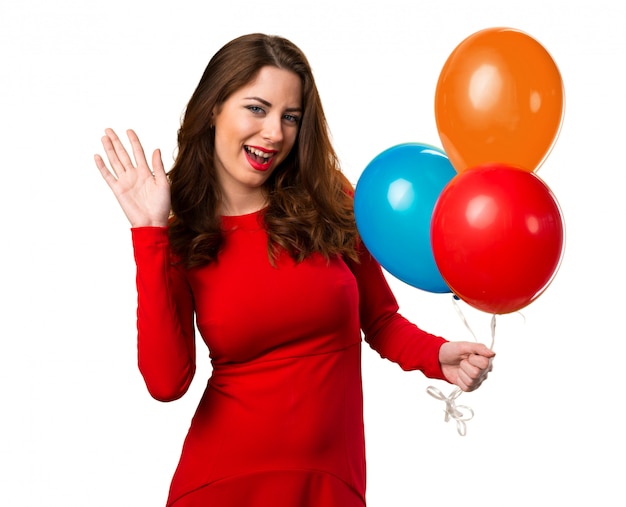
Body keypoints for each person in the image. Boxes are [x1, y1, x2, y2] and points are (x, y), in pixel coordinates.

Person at [95, 33, 494, 507]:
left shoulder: (332, 201)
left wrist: (438, 354)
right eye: (257, 109)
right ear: (213, 109)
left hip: (329, 485)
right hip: (222, 485)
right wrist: (149, 233)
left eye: (290, 117)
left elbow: (380, 320)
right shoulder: (181, 238)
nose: (274, 133)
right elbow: (166, 383)